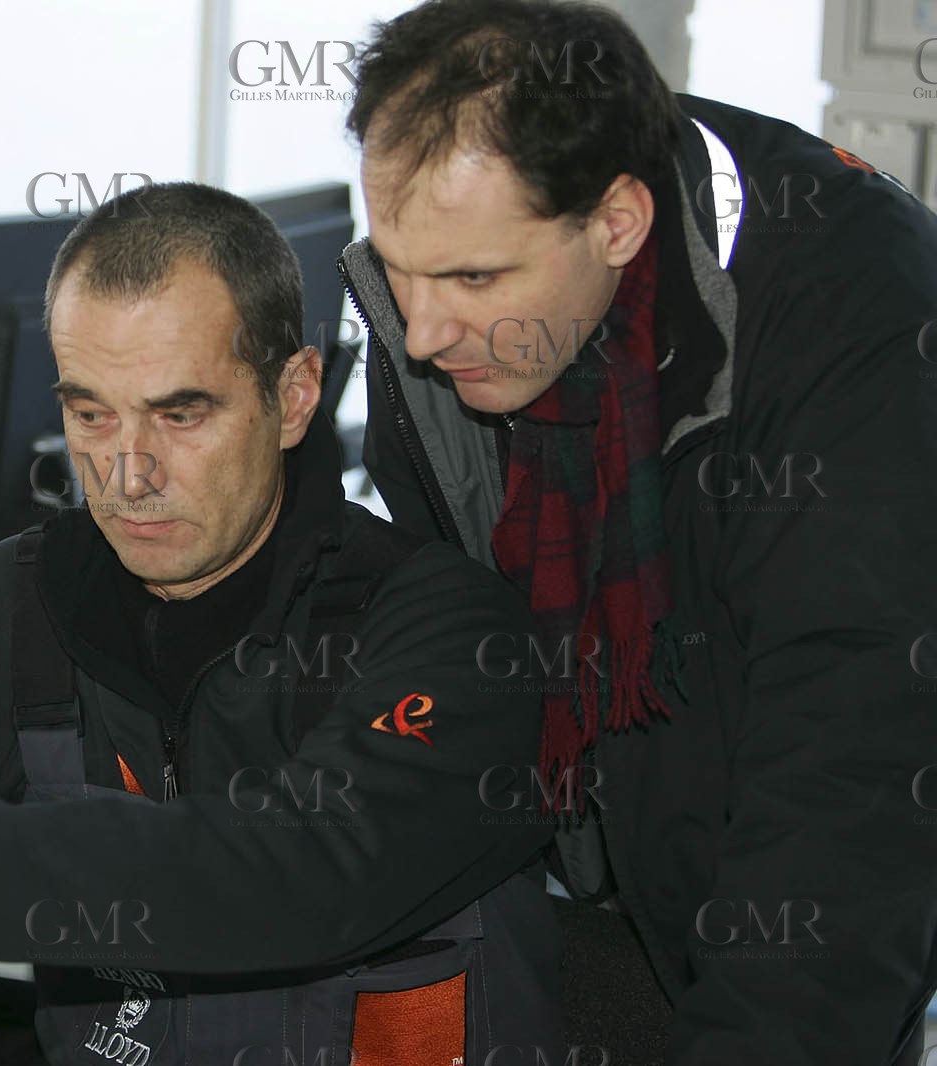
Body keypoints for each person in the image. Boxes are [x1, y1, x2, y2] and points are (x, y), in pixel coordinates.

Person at [0, 182, 562, 1066]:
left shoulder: (452, 633)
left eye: (182, 414)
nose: (127, 474)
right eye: (91, 414)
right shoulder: (9, 607)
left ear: (294, 396)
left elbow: (304, 871)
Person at [339, 2, 937, 1063]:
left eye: (474, 279)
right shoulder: (465, 259)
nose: (420, 332)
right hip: (574, 890)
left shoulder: (869, 328)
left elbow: (851, 785)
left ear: (618, 222)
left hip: (785, 941)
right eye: (397, 266)